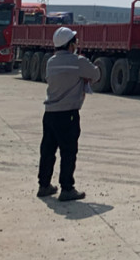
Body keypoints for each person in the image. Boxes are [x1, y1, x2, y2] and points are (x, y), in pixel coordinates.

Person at [37, 26, 100, 202]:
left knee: (48, 150)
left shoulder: (51, 62)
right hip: (68, 114)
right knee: (68, 151)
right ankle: (67, 188)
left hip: (49, 113)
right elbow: (96, 74)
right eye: (75, 41)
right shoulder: (78, 61)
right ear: (70, 44)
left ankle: (44, 185)